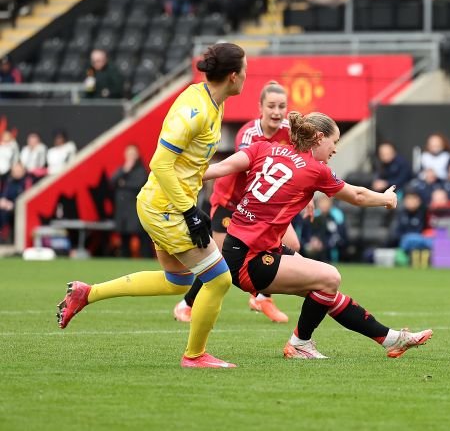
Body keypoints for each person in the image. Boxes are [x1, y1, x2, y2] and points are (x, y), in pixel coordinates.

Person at [57, 42, 247, 369]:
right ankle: (195, 356)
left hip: (164, 204)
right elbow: (160, 164)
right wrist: (190, 212)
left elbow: (190, 166)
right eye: (245, 70)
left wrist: (229, 170)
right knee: (219, 279)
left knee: (178, 281)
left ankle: (87, 294)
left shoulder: (213, 103)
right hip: (166, 209)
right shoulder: (197, 110)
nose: (246, 76)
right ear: (232, 76)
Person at [202, 110, 433, 359]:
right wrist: (387, 199)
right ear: (320, 138)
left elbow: (222, 167)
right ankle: (300, 343)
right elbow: (357, 195)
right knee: (329, 278)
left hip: (250, 247)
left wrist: (180, 178)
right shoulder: (315, 170)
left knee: (325, 290)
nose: (335, 149)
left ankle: (391, 339)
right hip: (250, 258)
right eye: (334, 142)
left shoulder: (263, 148)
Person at [172, 81, 298, 324]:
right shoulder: (249, 134)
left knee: (292, 245)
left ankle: (262, 296)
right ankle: (186, 304)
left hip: (262, 204)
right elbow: (250, 168)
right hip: (231, 202)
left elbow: (298, 165)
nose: (276, 111)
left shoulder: (289, 131)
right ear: (260, 107)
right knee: (220, 259)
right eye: (271, 105)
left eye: (282, 106)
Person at [111, 144, 149, 258]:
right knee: (124, 238)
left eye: (133, 154)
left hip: (136, 209)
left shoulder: (141, 170)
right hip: (123, 210)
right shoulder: (122, 170)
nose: (130, 156)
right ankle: (124, 258)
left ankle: (146, 258)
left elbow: (139, 184)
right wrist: (125, 170)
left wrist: (123, 184)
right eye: (128, 154)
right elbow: (112, 181)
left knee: (142, 236)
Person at [392, 190, 431, 268]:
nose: (411, 201)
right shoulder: (400, 213)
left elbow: (428, 230)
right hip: (404, 245)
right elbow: (396, 232)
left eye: (414, 199)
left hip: (422, 242)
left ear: (419, 201)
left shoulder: (424, 212)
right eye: (409, 199)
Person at [306, 194, 347, 263]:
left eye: (327, 202)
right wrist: (312, 242)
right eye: (322, 202)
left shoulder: (335, 217)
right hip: (313, 248)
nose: (324, 205)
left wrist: (324, 244)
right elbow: (307, 233)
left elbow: (339, 237)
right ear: (318, 203)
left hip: (330, 249)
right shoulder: (312, 217)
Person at [0, 162, 28, 243]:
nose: (17, 172)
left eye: (19, 170)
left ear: (23, 171)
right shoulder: (7, 181)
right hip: (5, 205)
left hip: (19, 208)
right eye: (15, 170)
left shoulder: (27, 182)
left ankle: (4, 237)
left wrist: (13, 205)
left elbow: (27, 197)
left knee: (4, 213)